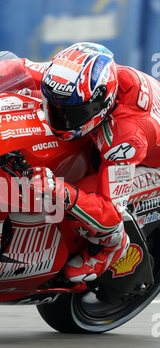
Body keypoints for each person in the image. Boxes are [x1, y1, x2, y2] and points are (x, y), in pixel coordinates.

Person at [22, 42, 160, 283]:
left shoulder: (125, 138)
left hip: (152, 165)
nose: (59, 117)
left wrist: (60, 191)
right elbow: (17, 68)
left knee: (81, 197)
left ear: (100, 106)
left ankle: (112, 248)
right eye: (54, 107)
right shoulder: (80, 82)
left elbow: (109, 211)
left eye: (70, 113)